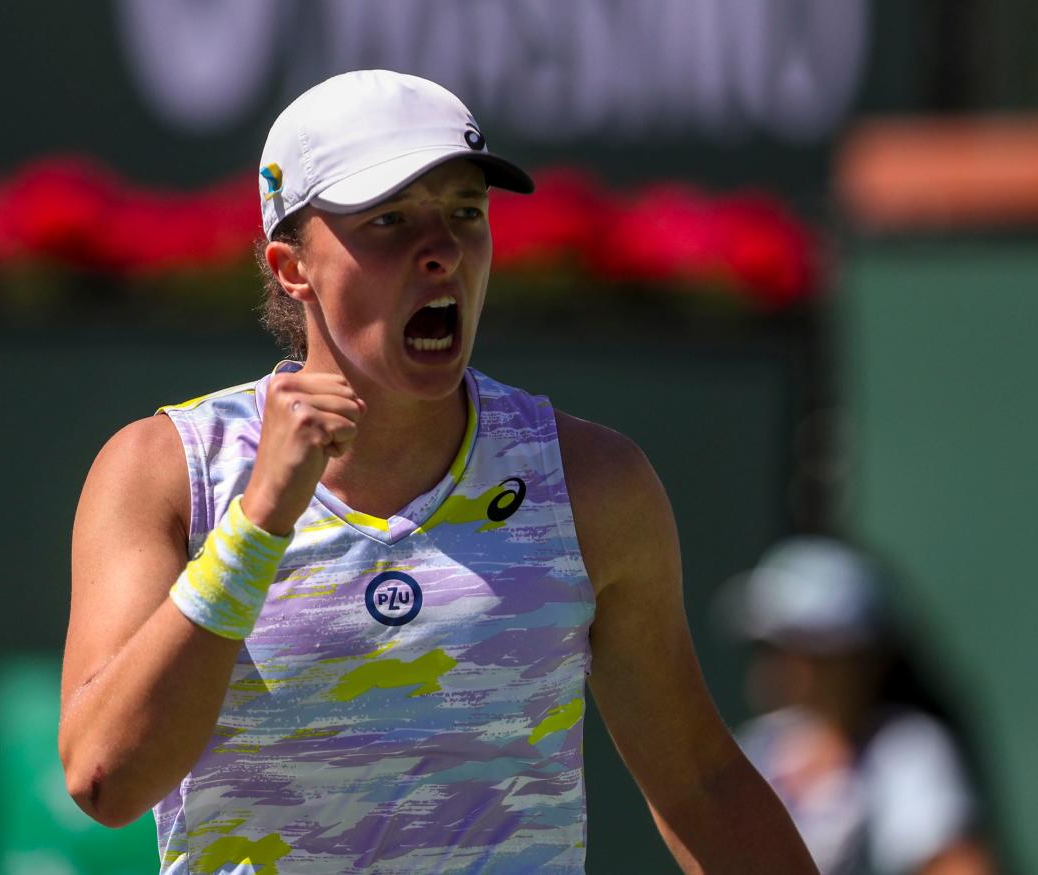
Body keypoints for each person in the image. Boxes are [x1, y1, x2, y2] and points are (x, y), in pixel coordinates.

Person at [59, 70, 815, 874]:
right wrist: (256, 526)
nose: (443, 252)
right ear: (292, 266)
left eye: (465, 213)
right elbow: (106, 778)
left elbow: (701, 785)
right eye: (389, 219)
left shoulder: (594, 483)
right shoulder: (164, 470)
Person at [718, 536, 1000, 875]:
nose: (777, 659)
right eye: (769, 644)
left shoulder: (909, 748)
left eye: (798, 642)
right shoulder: (756, 747)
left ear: (856, 656)